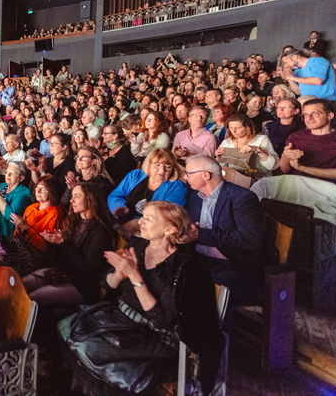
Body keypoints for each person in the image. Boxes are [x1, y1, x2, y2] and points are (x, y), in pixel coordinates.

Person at [58, 201, 223, 396]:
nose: (141, 222)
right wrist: (119, 274)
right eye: (142, 216)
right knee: (66, 327)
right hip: (121, 317)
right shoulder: (137, 244)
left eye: (149, 219)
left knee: (87, 348)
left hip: (154, 334)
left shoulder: (184, 268)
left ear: (170, 229)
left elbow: (161, 319)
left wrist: (135, 275)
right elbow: (108, 285)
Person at [185, 155, 265, 307]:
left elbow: (250, 239)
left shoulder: (242, 198)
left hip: (233, 265)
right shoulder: (195, 196)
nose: (185, 176)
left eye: (189, 173)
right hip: (200, 260)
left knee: (196, 291)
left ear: (206, 175)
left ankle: (214, 330)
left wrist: (200, 234)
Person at [25, 183, 117, 306]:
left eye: (77, 196)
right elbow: (62, 258)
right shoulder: (75, 221)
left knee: (32, 298)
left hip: (82, 285)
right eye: (72, 196)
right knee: (23, 283)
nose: (71, 200)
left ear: (90, 199)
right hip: (64, 273)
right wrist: (55, 242)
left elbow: (87, 269)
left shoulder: (100, 232)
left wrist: (63, 243)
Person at [0, 174, 64, 277]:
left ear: (53, 192)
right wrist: (18, 229)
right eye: (37, 187)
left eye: (43, 189)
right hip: (21, 250)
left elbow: (45, 248)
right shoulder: (31, 208)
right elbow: (18, 236)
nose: (38, 191)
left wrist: (27, 230)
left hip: (36, 259)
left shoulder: (55, 214)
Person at [107, 148, 187, 226]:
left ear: (173, 169)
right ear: (149, 164)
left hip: (149, 230)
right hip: (120, 221)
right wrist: (118, 207)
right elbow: (115, 195)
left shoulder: (177, 187)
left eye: (168, 167)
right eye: (157, 165)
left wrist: (136, 223)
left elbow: (167, 216)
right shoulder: (135, 175)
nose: (162, 170)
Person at [280, 98, 336, 187]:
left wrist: (303, 168)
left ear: (330, 116)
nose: (309, 118)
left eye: (314, 113)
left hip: (327, 188)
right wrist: (285, 156)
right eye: (306, 115)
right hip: (297, 185)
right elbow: (285, 170)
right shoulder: (295, 136)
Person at [0, 160, 32, 242]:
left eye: (12, 173)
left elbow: (11, 215)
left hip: (3, 234)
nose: (8, 175)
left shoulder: (24, 193)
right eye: (7, 172)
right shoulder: (2, 185)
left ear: (21, 178)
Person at [215, 113, 278, 178]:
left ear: (247, 127)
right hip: (232, 179)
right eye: (231, 128)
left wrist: (258, 150)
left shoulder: (261, 140)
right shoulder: (227, 142)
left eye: (238, 128)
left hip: (256, 181)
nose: (234, 131)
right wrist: (217, 157)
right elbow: (220, 167)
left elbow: (273, 166)